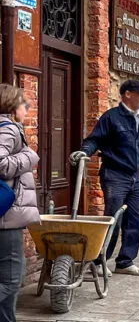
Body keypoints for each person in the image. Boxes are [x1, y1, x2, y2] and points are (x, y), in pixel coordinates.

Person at [70, 79, 139, 276]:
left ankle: (125, 261)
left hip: (135, 177)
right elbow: (94, 140)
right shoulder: (111, 118)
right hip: (114, 175)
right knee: (113, 219)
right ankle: (100, 263)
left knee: (135, 219)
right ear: (127, 94)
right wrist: (85, 152)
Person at [0, 85, 39, 321]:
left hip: (6, 216)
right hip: (6, 219)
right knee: (13, 278)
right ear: (13, 106)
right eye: (24, 104)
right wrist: (28, 156)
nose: (27, 109)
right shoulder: (9, 129)